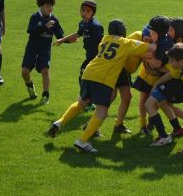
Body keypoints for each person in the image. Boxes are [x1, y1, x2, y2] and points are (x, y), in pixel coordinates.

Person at [48, 19, 155, 153]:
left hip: (89, 72)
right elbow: (151, 49)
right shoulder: (127, 42)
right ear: (124, 32)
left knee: (82, 102)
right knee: (102, 110)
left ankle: (59, 122)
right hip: (103, 77)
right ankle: (83, 140)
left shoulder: (104, 39)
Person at [54, 0, 104, 111]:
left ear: (93, 13)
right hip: (89, 56)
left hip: (95, 58)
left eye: (88, 11)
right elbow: (78, 33)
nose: (84, 13)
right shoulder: (83, 23)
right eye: (83, 10)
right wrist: (63, 39)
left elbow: (102, 43)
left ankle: (89, 102)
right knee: (85, 78)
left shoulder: (96, 26)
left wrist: (100, 60)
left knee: (84, 77)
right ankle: (90, 102)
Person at [21, 0, 64, 104]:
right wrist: (45, 27)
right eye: (47, 5)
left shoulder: (54, 19)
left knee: (45, 70)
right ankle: (30, 86)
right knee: (25, 71)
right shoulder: (35, 17)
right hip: (32, 48)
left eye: (52, 5)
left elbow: (60, 35)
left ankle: (45, 94)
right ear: (41, 5)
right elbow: (32, 32)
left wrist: (68, 40)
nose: (50, 8)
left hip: (45, 49)